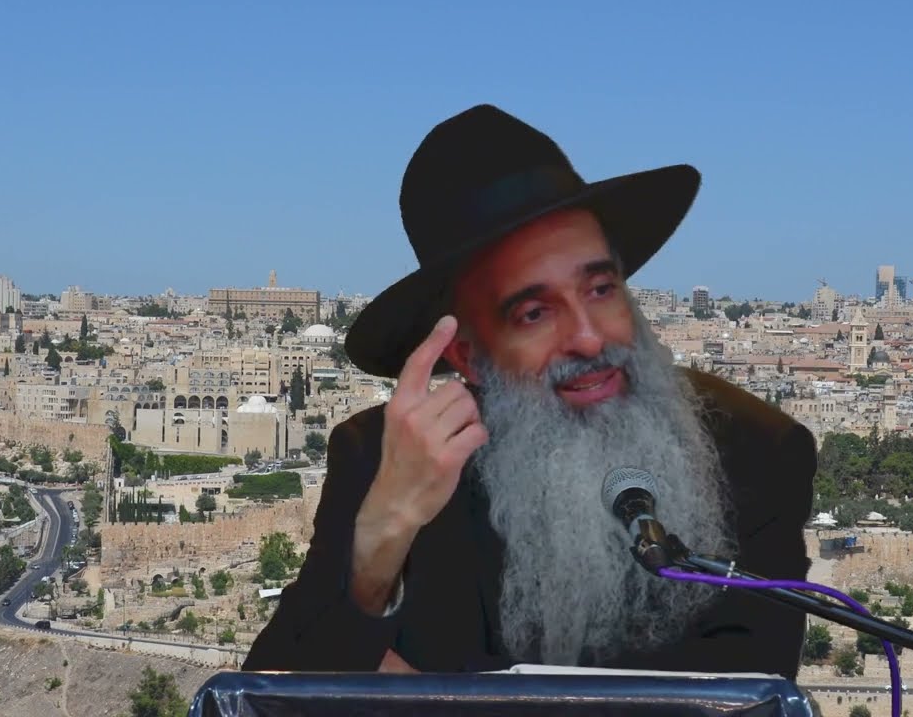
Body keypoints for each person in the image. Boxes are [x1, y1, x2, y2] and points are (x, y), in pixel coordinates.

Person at [242, 104, 816, 679]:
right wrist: (382, 540)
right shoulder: (384, 460)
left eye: (600, 288)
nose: (589, 339)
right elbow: (269, 694)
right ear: (465, 354)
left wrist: (432, 698)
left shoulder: (753, 451)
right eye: (534, 313)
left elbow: (747, 693)